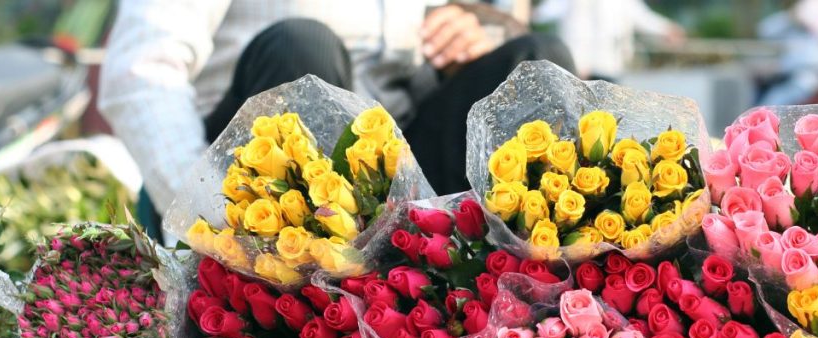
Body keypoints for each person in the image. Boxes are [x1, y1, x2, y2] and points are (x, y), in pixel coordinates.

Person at [98, 1, 574, 240]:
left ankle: (509, 292)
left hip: (394, 161)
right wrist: (206, 220)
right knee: (302, 49)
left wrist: (473, 30)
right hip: (265, 174)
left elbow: (491, 29)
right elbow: (139, 74)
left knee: (535, 60)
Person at [534, 0, 684, 82]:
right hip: (577, 66)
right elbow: (549, 10)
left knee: (608, 115)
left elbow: (641, 16)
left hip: (608, 63)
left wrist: (666, 28)